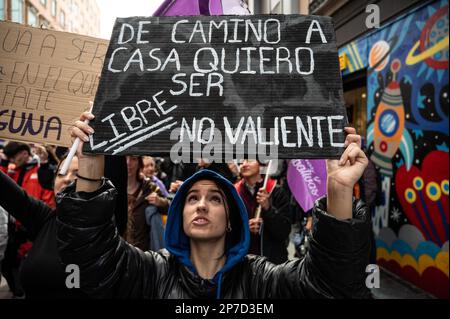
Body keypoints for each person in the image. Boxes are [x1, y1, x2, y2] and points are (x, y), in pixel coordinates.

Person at [57, 111, 371, 298]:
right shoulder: (150, 272)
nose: (202, 205)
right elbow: (92, 257)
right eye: (192, 198)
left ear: (232, 218)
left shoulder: (261, 280)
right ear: (180, 216)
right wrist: (89, 167)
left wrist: (340, 189)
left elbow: (330, 284)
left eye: (215, 198)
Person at [235, 160, 292, 264]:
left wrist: (268, 209)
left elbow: (284, 231)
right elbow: (225, 228)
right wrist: (244, 229)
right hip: (242, 262)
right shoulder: (234, 192)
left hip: (272, 263)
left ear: (261, 164)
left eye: (250, 159)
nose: (244, 163)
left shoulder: (277, 192)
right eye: (241, 161)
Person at [124, 156, 166, 251]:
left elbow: (168, 207)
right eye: (125, 158)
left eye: (133, 159)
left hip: (143, 253)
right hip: (118, 253)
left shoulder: (149, 187)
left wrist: (160, 201)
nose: (128, 163)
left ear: (139, 163)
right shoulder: (112, 187)